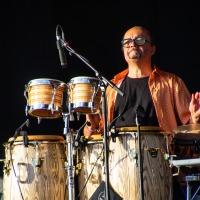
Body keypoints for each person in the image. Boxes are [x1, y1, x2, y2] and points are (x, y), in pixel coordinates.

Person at [81, 26, 200, 200]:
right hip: (117, 168)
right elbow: (94, 135)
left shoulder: (171, 82)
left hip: (160, 167)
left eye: (140, 40)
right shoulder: (112, 88)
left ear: (152, 49)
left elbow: (190, 130)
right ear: (123, 50)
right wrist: (92, 124)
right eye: (127, 42)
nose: (133, 45)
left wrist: (195, 118)